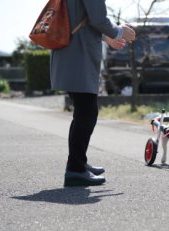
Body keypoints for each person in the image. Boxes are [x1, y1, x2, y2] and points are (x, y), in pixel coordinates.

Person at [50, 0, 135, 187]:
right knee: (86, 113)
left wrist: (107, 37)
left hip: (71, 53)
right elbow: (98, 19)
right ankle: (75, 169)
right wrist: (120, 31)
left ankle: (78, 163)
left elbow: (82, 18)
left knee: (83, 112)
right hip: (78, 55)